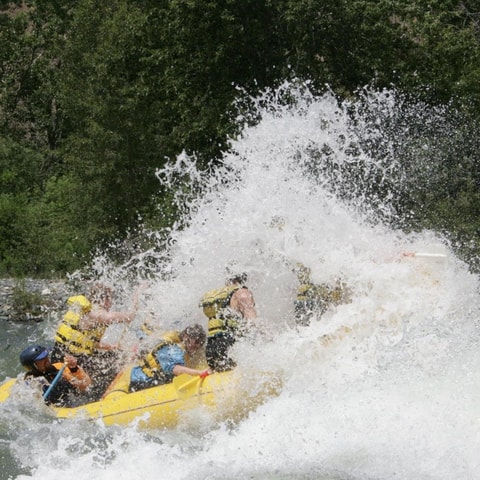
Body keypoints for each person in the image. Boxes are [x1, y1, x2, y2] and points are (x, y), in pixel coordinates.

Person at [51, 283, 139, 398]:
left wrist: (110, 346)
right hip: (71, 360)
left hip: (61, 354)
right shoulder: (95, 313)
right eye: (110, 299)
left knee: (114, 354)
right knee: (115, 363)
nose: (111, 303)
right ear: (104, 299)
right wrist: (136, 296)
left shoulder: (85, 311)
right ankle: (102, 396)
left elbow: (87, 342)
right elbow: (121, 317)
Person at [199, 272, 257, 372]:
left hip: (211, 348)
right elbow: (252, 321)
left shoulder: (216, 296)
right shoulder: (242, 293)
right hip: (229, 345)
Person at [129, 324, 210, 392]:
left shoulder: (181, 341)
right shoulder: (171, 348)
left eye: (196, 347)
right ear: (185, 336)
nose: (192, 348)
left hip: (154, 376)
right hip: (142, 381)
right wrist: (199, 373)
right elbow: (175, 369)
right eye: (191, 343)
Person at [20, 345, 91, 407]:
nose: (46, 359)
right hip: (57, 409)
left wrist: (74, 369)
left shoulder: (59, 367)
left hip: (74, 401)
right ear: (33, 366)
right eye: (41, 359)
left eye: (46, 356)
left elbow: (86, 385)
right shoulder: (32, 382)